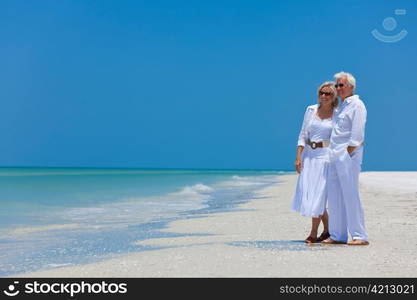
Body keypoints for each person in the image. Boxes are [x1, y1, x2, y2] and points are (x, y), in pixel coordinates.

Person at [322, 71, 369, 246]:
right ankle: (337, 235)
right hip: (334, 155)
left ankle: (359, 235)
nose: (338, 88)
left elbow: (357, 133)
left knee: (350, 194)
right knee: (334, 196)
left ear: (351, 86)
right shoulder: (341, 106)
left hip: (347, 155)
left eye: (341, 85)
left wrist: (348, 152)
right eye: (337, 85)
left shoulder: (357, 105)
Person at [291, 81, 338, 243]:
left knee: (318, 196)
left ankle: (313, 233)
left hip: (326, 158)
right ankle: (328, 230)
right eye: (321, 93)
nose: (324, 96)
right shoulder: (310, 110)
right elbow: (302, 135)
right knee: (310, 194)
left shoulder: (337, 114)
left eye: (328, 94)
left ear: (334, 97)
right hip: (309, 157)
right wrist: (298, 157)